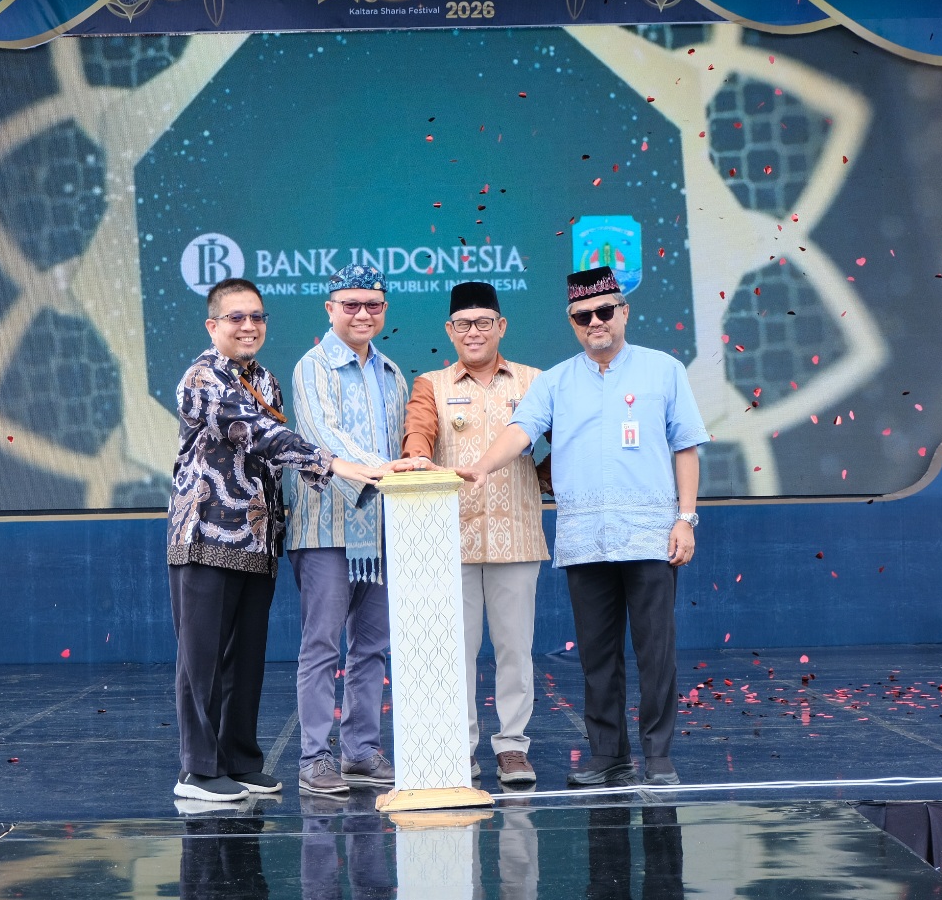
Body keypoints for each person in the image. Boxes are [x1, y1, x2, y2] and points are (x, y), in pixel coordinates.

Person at [457, 267, 709, 787]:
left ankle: (658, 756)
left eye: (604, 311)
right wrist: (482, 467)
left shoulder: (664, 370)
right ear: (572, 322)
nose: (595, 322)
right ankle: (607, 753)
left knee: (656, 653)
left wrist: (685, 519)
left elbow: (686, 446)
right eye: (582, 316)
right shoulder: (555, 381)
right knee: (597, 656)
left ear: (624, 312)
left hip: (650, 536)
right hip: (585, 540)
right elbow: (522, 430)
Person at [167, 277, 388, 804]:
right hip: (205, 534)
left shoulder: (264, 379)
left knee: (246, 658)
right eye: (236, 318)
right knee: (202, 658)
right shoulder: (201, 376)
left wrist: (351, 477)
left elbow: (276, 456)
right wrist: (340, 466)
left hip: (257, 540)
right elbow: (258, 435)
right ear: (213, 325)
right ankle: (197, 771)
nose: (249, 326)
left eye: (257, 317)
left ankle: (240, 761)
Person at [402, 281, 548, 785]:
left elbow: (567, 439)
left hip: (518, 536)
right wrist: (417, 457)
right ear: (449, 330)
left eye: (484, 322)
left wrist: (544, 477)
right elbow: (418, 433)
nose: (473, 332)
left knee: (515, 650)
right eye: (463, 324)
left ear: (501, 326)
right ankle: (457, 749)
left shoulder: (534, 381)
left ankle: (513, 747)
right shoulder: (431, 385)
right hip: (451, 541)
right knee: (455, 653)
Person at [285, 264, 409, 795]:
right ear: (330, 309)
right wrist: (386, 470)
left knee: (372, 647)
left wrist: (405, 467)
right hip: (325, 529)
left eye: (372, 305)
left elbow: (402, 442)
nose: (362, 314)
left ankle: (360, 751)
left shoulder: (392, 373)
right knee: (321, 646)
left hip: (379, 528)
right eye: (351, 304)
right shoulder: (312, 367)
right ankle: (315, 757)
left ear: (384, 310)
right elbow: (322, 436)